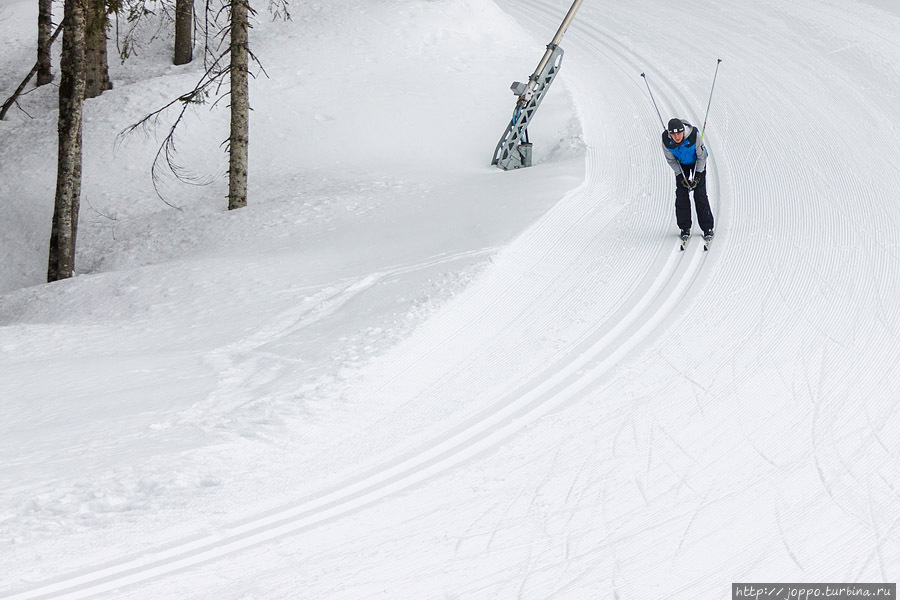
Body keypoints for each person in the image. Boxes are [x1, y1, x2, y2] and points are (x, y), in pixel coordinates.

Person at [662, 117, 714, 241]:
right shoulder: (666, 141)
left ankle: (707, 228)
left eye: (679, 133)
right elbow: (671, 160)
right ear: (670, 134)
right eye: (673, 134)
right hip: (681, 164)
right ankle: (684, 227)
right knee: (681, 193)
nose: (677, 137)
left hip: (697, 162)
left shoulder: (693, 136)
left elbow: (702, 157)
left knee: (700, 194)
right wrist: (680, 175)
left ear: (683, 131)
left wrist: (697, 176)